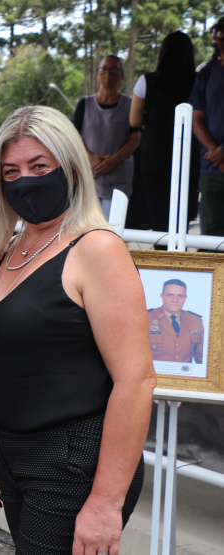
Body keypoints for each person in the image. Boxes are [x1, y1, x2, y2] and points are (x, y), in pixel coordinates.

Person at [0, 105, 157, 554]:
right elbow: (18, 365)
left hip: (73, 458)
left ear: (69, 167)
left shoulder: (97, 249)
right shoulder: (14, 248)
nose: (24, 181)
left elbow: (136, 380)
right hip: (18, 454)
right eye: (10, 171)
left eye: (39, 166)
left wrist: (106, 503)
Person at [130, 31, 199, 235]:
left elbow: (134, 120)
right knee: (182, 218)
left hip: (155, 155)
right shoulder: (198, 81)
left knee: (159, 218)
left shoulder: (147, 81)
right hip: (189, 154)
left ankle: (161, 260)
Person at [72, 55, 141, 218]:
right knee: (88, 232)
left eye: (113, 69)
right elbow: (73, 136)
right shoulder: (84, 104)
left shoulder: (130, 105)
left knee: (113, 232)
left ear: (121, 75)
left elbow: (136, 138)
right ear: (97, 75)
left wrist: (113, 160)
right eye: (104, 69)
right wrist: (90, 157)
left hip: (119, 183)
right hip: (89, 182)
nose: (108, 74)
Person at [190, 17, 224, 238]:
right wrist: (217, 153)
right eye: (217, 34)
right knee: (211, 237)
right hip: (212, 169)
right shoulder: (206, 73)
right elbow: (195, 119)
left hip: (215, 161)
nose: (217, 38)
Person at [148, 279, 204, 363]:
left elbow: (202, 356)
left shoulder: (195, 320)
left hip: (185, 375)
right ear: (162, 296)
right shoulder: (146, 317)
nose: (175, 300)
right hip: (154, 375)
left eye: (180, 296)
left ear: (185, 298)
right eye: (170, 295)